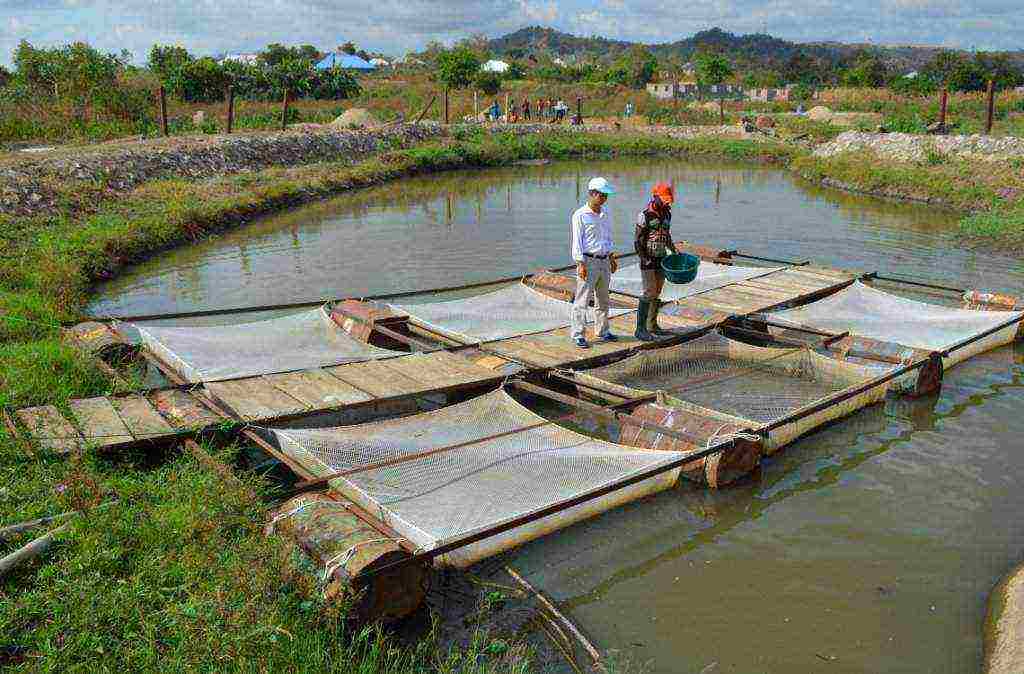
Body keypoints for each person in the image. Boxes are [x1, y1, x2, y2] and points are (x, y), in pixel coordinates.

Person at [570, 177, 619, 348]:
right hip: (588, 261)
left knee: (603, 299)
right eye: (602, 195)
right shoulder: (580, 215)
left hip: (604, 260)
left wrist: (612, 257)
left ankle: (603, 330)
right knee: (582, 300)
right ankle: (578, 334)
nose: (605, 198)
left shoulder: (606, 213)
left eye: (606, 195)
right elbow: (577, 242)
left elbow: (608, 236)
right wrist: (580, 263)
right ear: (592, 193)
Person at [633, 182, 682, 340]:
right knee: (648, 292)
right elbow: (638, 240)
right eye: (664, 199)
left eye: (669, 199)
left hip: (661, 258)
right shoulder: (645, 215)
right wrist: (644, 258)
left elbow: (666, 235)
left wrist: (673, 249)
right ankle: (640, 330)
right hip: (647, 259)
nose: (667, 202)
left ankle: (652, 325)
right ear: (655, 197)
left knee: (657, 291)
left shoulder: (667, 214)